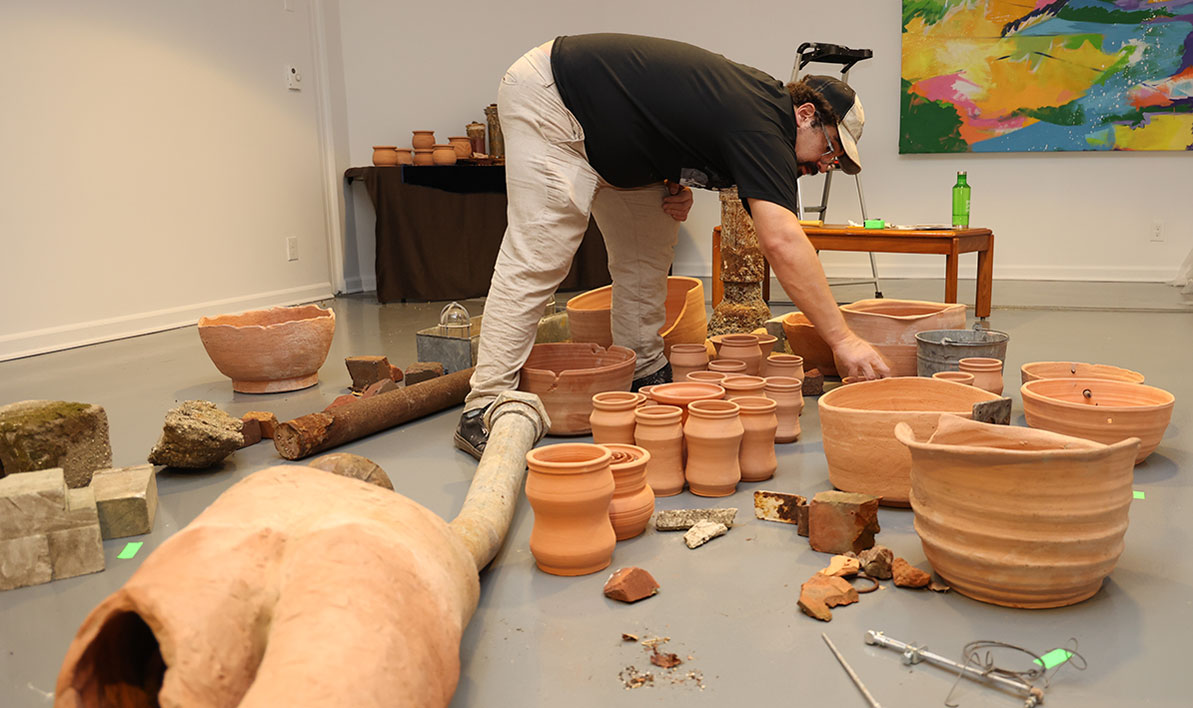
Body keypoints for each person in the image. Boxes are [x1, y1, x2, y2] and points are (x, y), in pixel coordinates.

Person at [454, 33, 890, 459]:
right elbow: (780, 239)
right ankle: (484, 403)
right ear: (805, 113)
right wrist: (843, 340)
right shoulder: (765, 121)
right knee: (540, 254)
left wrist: (674, 176)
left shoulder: (759, 115)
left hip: (612, 135)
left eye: (833, 163)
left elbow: (667, 118)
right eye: (829, 149)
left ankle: (642, 370)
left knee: (648, 248)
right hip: (556, 98)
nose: (821, 166)